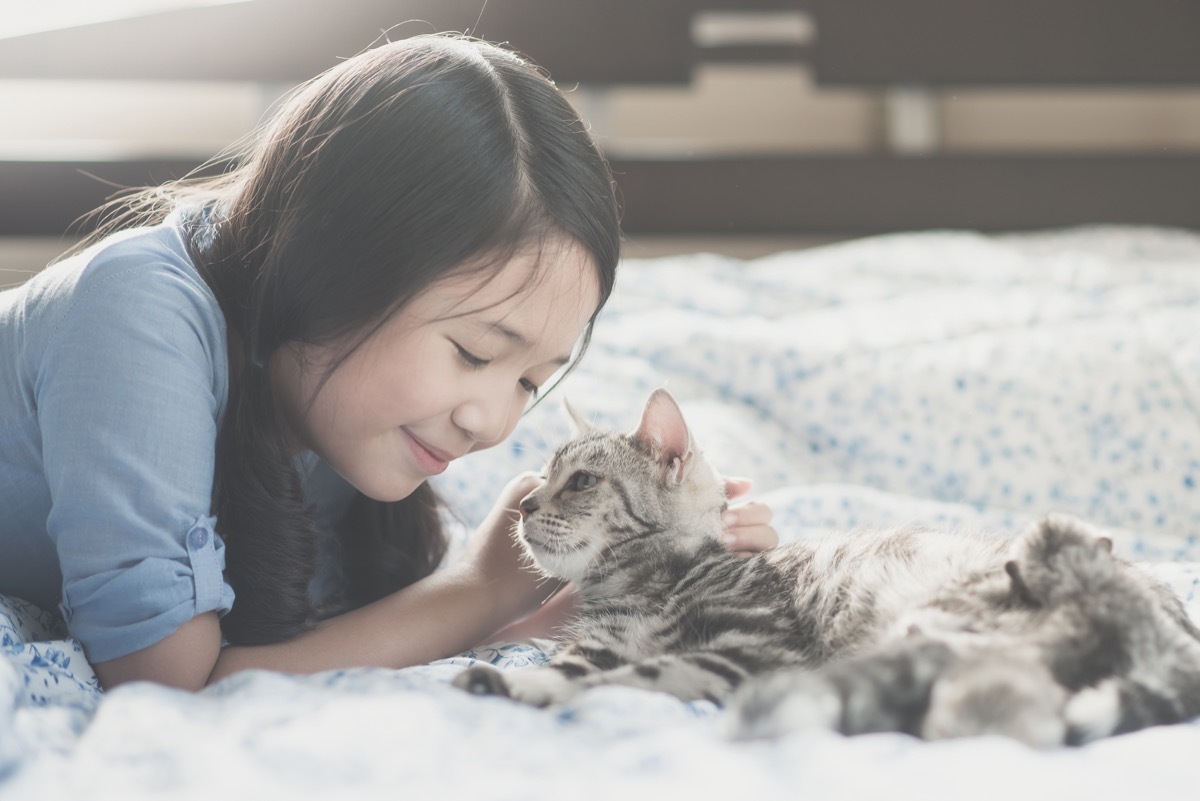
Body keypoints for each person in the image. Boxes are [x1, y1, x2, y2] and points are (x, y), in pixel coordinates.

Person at [0, 34, 776, 692]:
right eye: (474, 352)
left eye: (530, 382)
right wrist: (477, 589)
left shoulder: (330, 403)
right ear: (333, 265)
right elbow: (167, 682)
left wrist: (591, 592)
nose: (493, 422)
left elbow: (329, 644)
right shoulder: (137, 318)